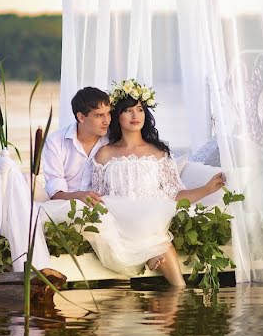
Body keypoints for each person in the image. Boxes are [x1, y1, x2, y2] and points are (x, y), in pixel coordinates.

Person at [85, 79, 225, 287]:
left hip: (150, 218)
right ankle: (151, 259)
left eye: (140, 110)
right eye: (128, 110)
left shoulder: (159, 153)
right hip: (117, 217)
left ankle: (177, 293)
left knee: (157, 234)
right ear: (117, 116)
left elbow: (174, 195)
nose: (135, 116)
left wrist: (207, 188)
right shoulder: (104, 154)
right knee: (157, 241)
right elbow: (97, 195)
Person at [41, 86, 112, 205]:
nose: (107, 121)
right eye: (98, 115)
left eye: (108, 114)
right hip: (63, 205)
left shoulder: (112, 140)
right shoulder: (55, 141)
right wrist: (78, 197)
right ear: (81, 117)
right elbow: (54, 191)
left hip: (102, 206)